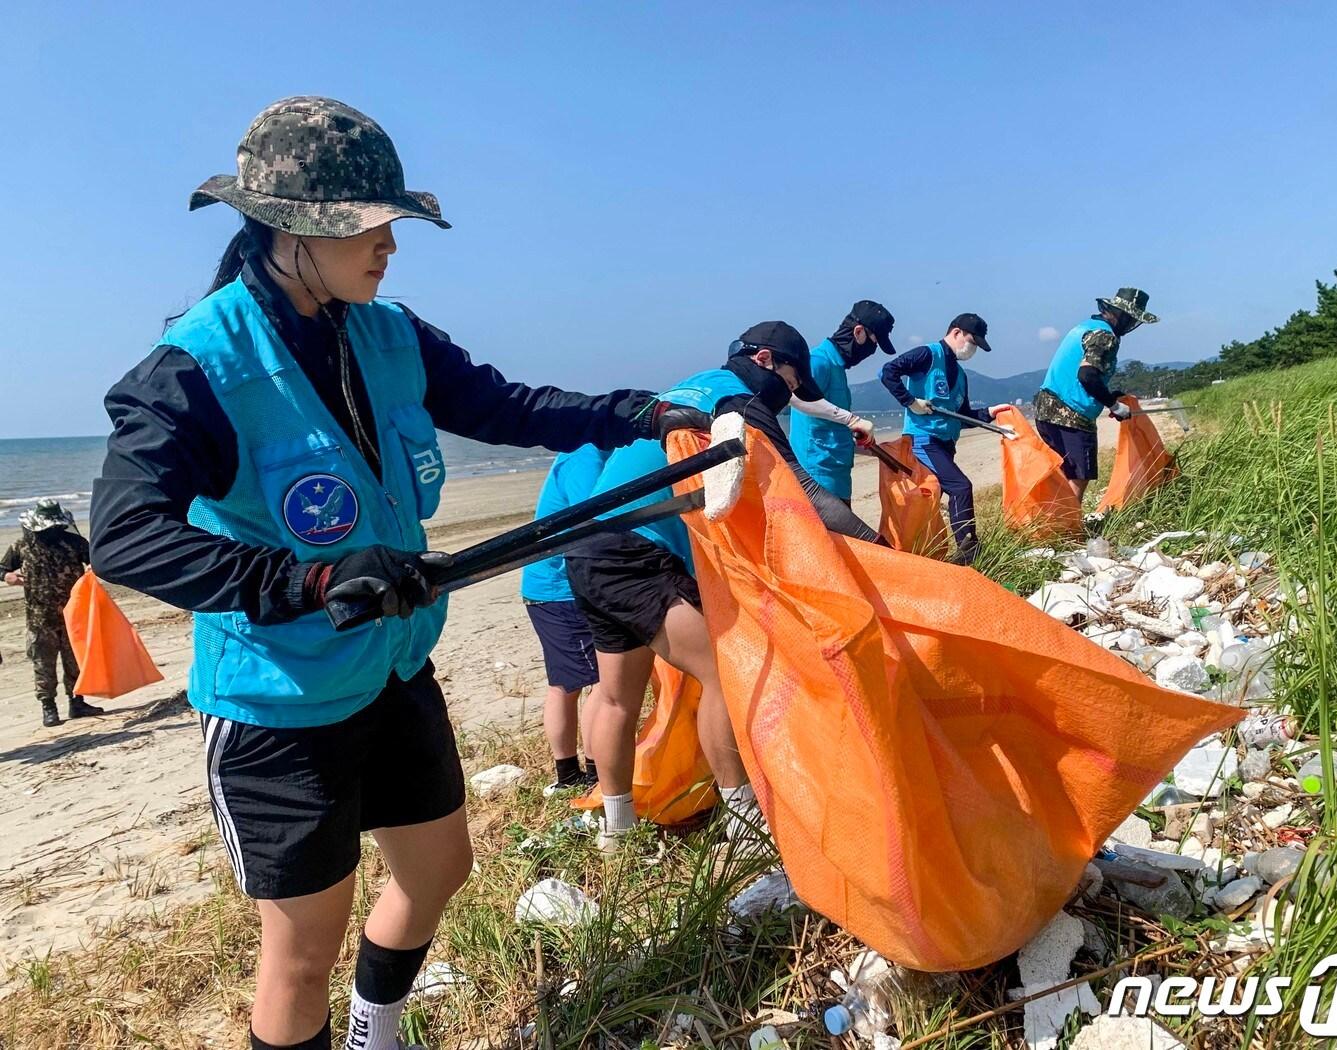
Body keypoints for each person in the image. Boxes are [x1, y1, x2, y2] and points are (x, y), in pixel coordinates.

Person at [88, 96, 701, 1050]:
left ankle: (379, 1027)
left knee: (438, 868)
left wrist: (646, 412)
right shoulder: (197, 368)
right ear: (292, 230)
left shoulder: (385, 329)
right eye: (369, 227)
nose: (389, 245)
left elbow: (507, 404)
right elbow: (127, 537)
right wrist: (311, 582)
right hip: (277, 704)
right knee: (302, 948)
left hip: (393, 671)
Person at [564, 322, 880, 851]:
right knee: (726, 669)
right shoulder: (734, 399)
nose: (789, 396)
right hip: (635, 554)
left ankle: (617, 830)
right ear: (766, 360)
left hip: (590, 549)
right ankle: (743, 822)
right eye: (792, 381)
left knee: (618, 697)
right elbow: (802, 494)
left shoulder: (688, 388)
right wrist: (878, 548)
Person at [879, 314, 1009, 565]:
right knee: (960, 487)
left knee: (930, 498)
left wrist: (990, 414)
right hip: (923, 439)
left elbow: (962, 416)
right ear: (957, 333)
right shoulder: (927, 355)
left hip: (946, 443)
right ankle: (968, 553)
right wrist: (911, 402)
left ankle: (920, 554)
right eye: (972, 342)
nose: (973, 349)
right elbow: (887, 372)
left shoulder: (961, 375)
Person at [519, 445, 611, 794]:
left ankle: (567, 773)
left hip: (548, 587)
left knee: (566, 683)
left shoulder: (583, 453)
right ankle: (593, 773)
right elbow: (595, 516)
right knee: (598, 681)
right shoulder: (585, 456)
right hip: (559, 590)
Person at [1032, 288, 1160, 501]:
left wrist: (1109, 396)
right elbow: (1087, 376)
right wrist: (1114, 405)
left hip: (1046, 409)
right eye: (1130, 319)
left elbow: (1082, 375)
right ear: (1120, 315)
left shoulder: (1086, 327)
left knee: (1062, 473)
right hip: (1070, 414)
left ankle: (1055, 525)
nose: (1131, 325)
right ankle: (1069, 530)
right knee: (1078, 475)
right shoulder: (1104, 335)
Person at [1, 499, 105, 728]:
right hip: (39, 617)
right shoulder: (22, 546)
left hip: (73, 615)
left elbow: (97, 561)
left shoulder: (75, 543)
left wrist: (92, 568)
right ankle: (49, 708)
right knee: (43, 664)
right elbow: (3, 569)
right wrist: (8, 577)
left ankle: (77, 703)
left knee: (75, 661)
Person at [787, 300, 895, 504]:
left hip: (838, 476)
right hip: (816, 477)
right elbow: (795, 397)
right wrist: (851, 419)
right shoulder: (819, 362)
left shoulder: (838, 369)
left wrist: (876, 449)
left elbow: (831, 428)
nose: (873, 350)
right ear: (859, 332)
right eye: (874, 342)